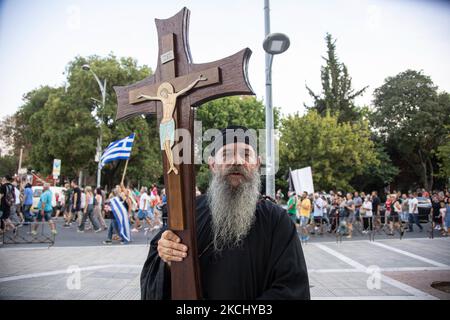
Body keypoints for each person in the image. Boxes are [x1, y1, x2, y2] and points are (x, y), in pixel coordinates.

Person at [140, 125, 310, 300]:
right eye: (227, 154)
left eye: (245, 155)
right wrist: (166, 259)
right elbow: (157, 271)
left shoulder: (277, 220)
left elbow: (292, 287)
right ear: (213, 165)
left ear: (257, 164)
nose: (236, 161)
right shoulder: (187, 213)